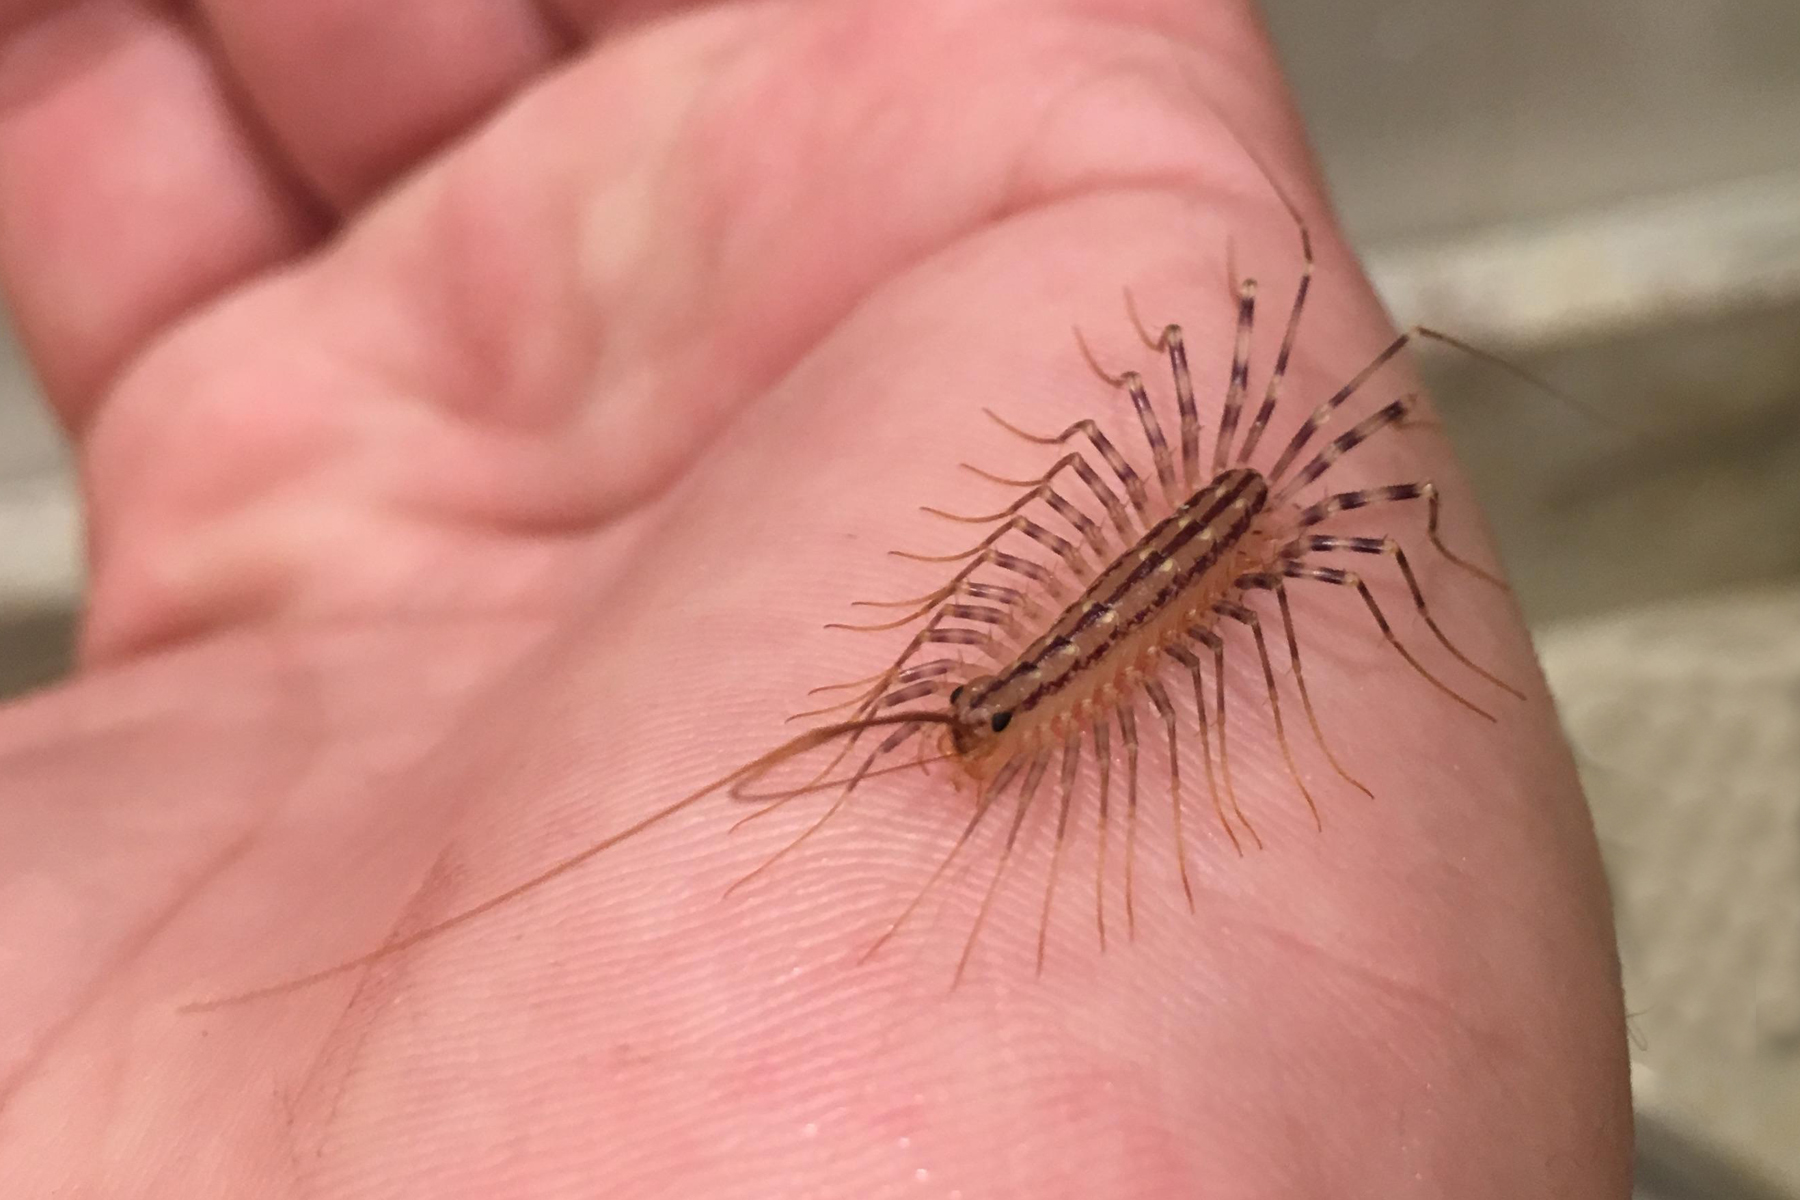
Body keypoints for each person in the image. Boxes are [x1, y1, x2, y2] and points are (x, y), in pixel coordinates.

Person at [0, 1, 1631, 1194]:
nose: (969, 729)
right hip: (1126, 571)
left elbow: (1128, 640)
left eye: (967, 714)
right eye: (967, 712)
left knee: (1317, 496)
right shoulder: (1002, 684)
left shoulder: (1053, 689)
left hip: (1199, 537)